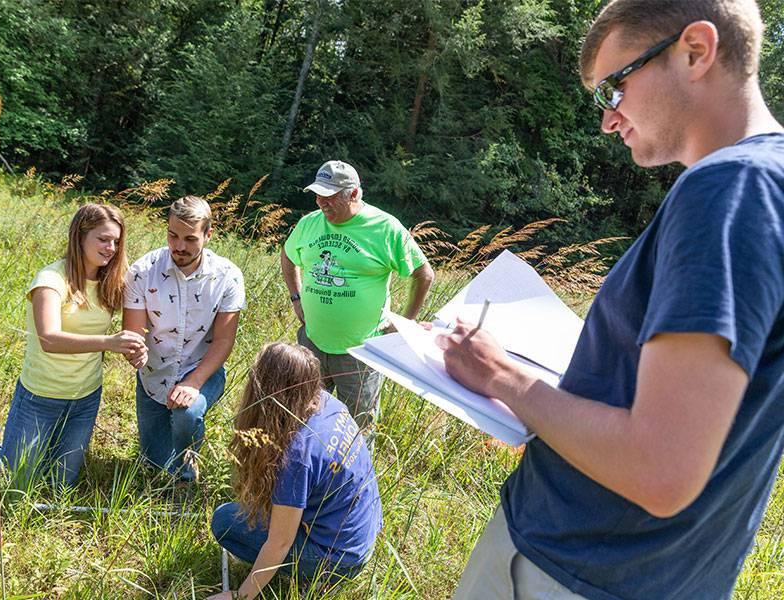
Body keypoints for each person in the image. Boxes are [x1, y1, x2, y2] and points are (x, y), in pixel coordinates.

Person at [439, 1, 784, 599]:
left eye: (615, 88)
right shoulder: (766, 184)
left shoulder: (728, 191)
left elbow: (661, 469)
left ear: (695, 51)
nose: (608, 120)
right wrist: (548, 412)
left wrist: (503, 378)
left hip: (568, 569)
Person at [0, 203, 146, 487]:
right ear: (80, 236)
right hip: (40, 397)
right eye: (103, 239)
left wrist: (137, 347)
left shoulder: (112, 280)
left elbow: (139, 316)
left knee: (61, 483)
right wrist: (110, 342)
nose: (110, 248)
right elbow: (49, 339)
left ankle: (5, 440)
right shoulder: (50, 280)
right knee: (12, 482)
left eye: (116, 241)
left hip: (85, 399)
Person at [208, 342, 382, 600]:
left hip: (338, 560)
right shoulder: (328, 402)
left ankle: (312, 575)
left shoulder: (296, 457)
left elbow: (279, 543)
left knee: (224, 521)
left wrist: (240, 596)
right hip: (362, 535)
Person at [281, 160, 434, 427]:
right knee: (304, 422)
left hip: (361, 353)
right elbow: (287, 254)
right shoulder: (309, 224)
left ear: (353, 194)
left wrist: (406, 323)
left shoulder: (385, 228)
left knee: (356, 430)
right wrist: (296, 298)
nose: (321, 202)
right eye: (318, 195)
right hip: (312, 343)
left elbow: (424, 274)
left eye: (330, 196)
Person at [122, 195, 245, 483]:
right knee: (153, 467)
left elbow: (224, 341)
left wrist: (193, 383)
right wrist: (135, 349)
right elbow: (135, 330)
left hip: (202, 369)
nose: (179, 246)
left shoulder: (228, 277)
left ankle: (189, 477)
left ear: (209, 234)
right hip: (153, 376)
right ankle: (169, 462)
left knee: (187, 415)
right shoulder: (143, 271)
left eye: (190, 239)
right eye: (172, 235)